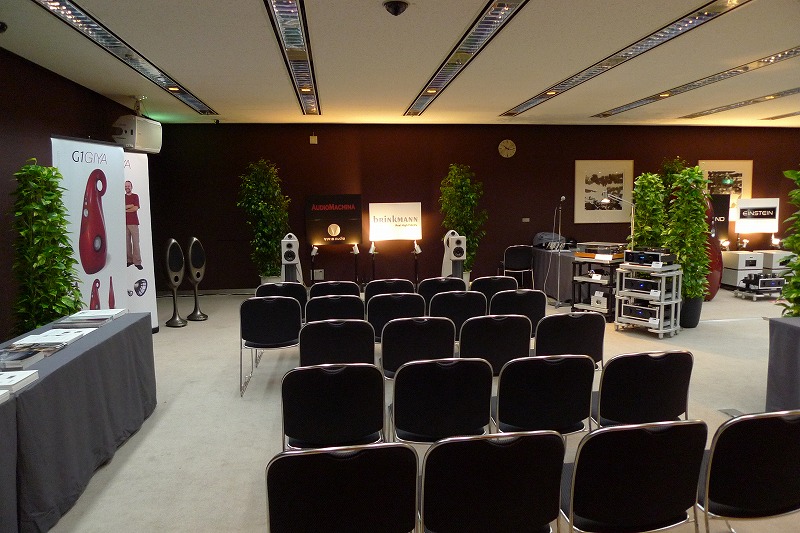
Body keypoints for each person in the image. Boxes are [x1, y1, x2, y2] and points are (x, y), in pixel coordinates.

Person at [125, 180, 143, 270]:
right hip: (124, 223)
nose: (127, 187)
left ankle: (137, 262)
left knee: (136, 243)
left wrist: (125, 209)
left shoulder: (135, 196)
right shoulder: (122, 197)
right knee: (127, 243)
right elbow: (123, 207)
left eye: (128, 186)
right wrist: (130, 205)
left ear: (131, 187)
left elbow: (135, 208)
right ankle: (129, 260)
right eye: (126, 186)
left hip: (134, 223)